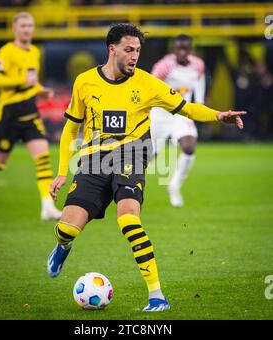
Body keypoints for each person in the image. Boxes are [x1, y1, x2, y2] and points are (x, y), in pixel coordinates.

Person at [47, 23, 245, 312]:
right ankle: (63, 247)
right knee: (66, 229)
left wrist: (218, 115)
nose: (134, 56)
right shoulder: (85, 82)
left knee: (128, 219)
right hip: (93, 161)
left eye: (138, 50)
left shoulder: (148, 83)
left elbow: (187, 107)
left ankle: (156, 296)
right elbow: (70, 129)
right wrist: (63, 170)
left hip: (132, 155)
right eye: (129, 50)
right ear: (111, 49)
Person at [0, 12, 61, 221]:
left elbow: (31, 82)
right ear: (14, 28)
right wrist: (21, 80)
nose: (26, 29)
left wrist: (41, 90)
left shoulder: (34, 52)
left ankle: (47, 206)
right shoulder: (7, 51)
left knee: (42, 157)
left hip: (29, 110)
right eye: (22, 26)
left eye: (29, 25)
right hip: (9, 113)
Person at [150, 34, 205, 207]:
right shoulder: (164, 65)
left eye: (186, 48)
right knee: (147, 158)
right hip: (160, 115)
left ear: (191, 49)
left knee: (189, 147)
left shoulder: (198, 64)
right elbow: (150, 85)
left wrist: (200, 104)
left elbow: (200, 81)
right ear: (174, 50)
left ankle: (174, 186)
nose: (182, 52)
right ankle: (125, 188)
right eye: (179, 48)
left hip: (182, 114)